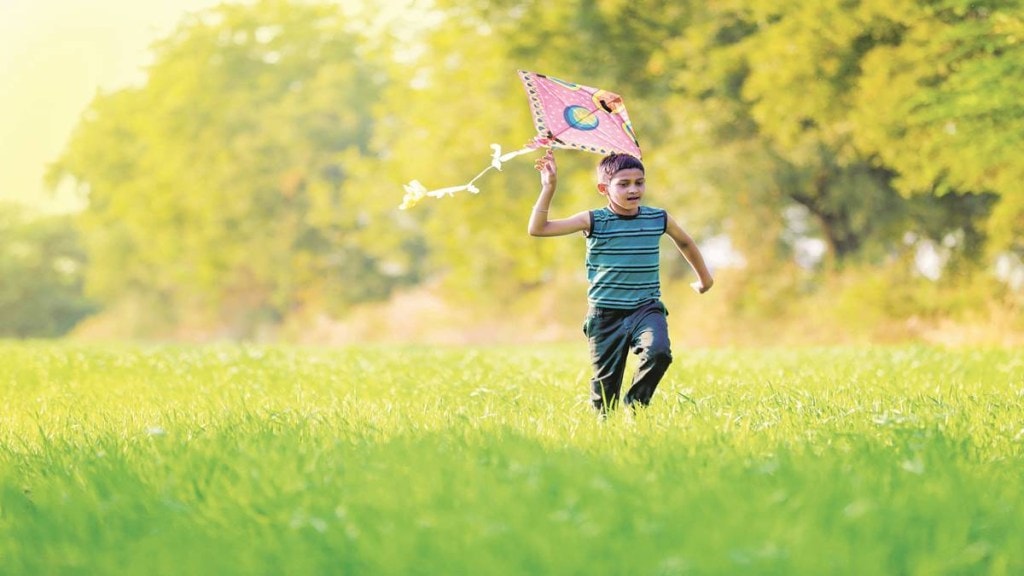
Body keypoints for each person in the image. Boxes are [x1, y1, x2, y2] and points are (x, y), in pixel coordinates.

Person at [528, 149, 714, 414]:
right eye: (624, 184)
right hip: (605, 313)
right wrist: (549, 188)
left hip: (646, 308)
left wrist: (704, 279)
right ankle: (605, 429)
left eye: (639, 182)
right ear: (604, 188)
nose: (633, 189)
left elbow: (685, 242)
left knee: (659, 352)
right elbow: (539, 228)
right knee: (606, 390)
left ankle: (636, 405)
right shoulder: (593, 220)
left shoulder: (657, 217)